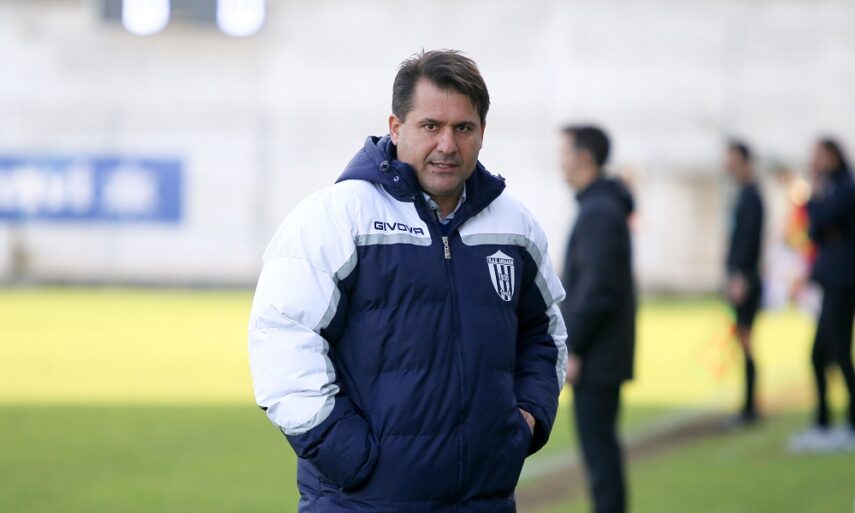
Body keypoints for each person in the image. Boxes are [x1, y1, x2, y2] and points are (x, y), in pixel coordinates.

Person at [247, 50, 568, 513]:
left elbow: (544, 333)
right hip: (361, 501)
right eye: (430, 126)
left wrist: (525, 420)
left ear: (482, 132)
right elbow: (282, 337)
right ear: (396, 128)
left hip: (484, 500)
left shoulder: (515, 224)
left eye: (463, 128)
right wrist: (348, 455)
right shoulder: (337, 216)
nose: (447, 145)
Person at [560, 125, 636, 513]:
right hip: (603, 353)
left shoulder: (599, 212)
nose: (560, 161)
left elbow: (598, 289)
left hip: (597, 356)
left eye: (565, 152)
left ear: (584, 157)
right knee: (602, 453)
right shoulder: (600, 206)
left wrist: (574, 347)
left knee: (600, 457)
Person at [790, 138, 855, 452]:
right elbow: (816, 230)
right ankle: (823, 421)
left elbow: (818, 220)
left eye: (818, 156)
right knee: (821, 355)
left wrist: (814, 199)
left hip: (843, 282)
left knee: (838, 352)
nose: (813, 161)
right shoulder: (832, 189)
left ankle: (844, 423)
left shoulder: (844, 188)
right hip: (833, 281)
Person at [723, 140, 765, 425]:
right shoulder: (743, 195)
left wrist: (741, 277)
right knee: (743, 341)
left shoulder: (751, 197)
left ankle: (750, 407)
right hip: (742, 276)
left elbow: (749, 241)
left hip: (745, 279)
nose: (728, 166)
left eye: (733, 160)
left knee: (747, 341)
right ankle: (748, 405)